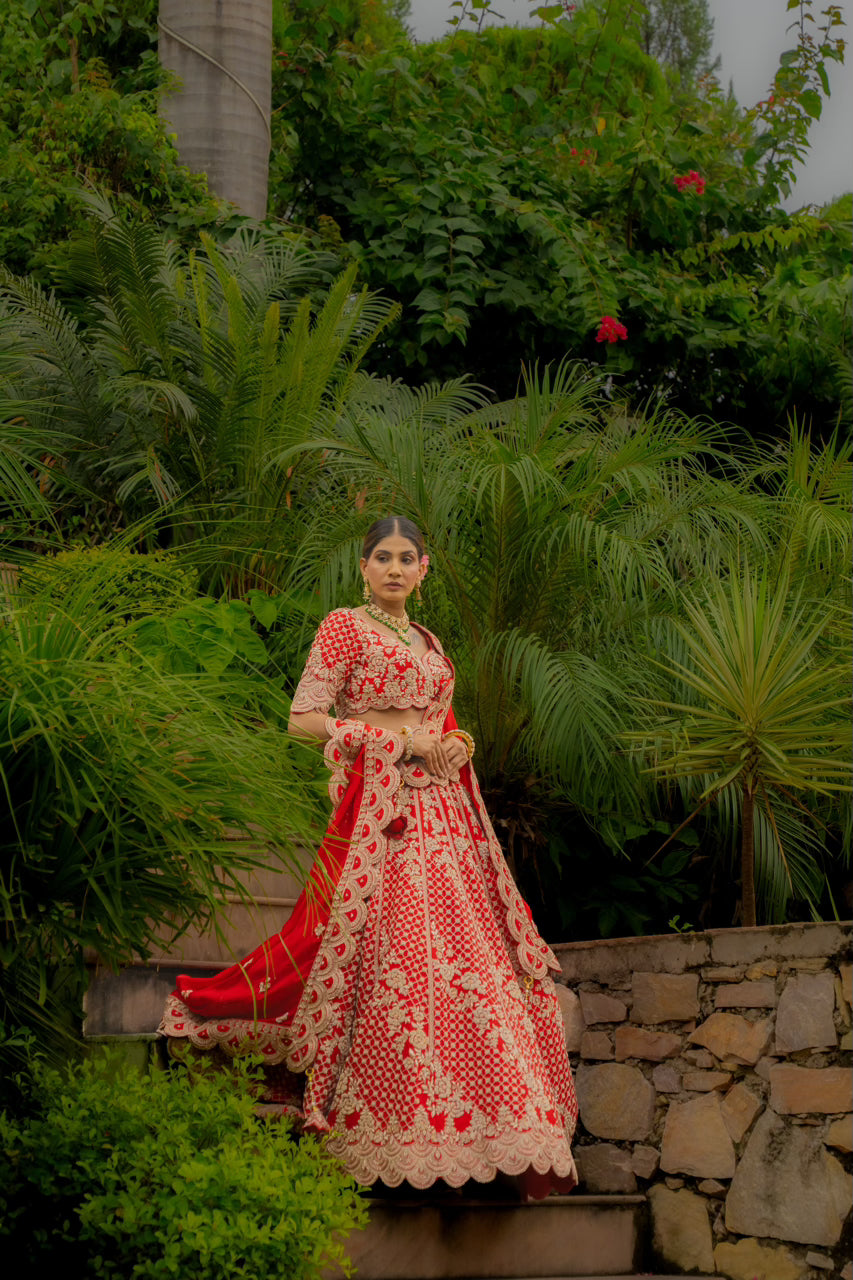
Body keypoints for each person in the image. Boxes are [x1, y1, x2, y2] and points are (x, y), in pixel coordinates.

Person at [160, 517, 578, 1197]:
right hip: (380, 813)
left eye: (404, 559)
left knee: (471, 964)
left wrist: (452, 743)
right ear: (362, 568)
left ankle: (473, 1133)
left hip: (446, 815)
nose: (392, 568)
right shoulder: (343, 627)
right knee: (395, 957)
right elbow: (302, 722)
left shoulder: (431, 642)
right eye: (380, 558)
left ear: (424, 570)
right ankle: (385, 1128)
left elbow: (440, 722)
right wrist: (389, 741)